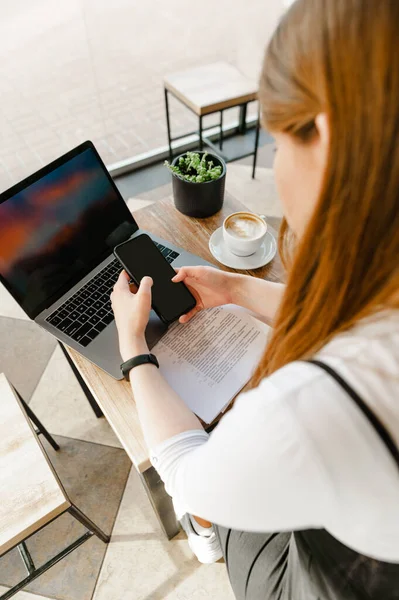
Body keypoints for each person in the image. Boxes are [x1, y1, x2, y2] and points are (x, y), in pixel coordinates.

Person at [110, 0, 399, 597]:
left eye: (276, 143)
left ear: (322, 134)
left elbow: (187, 472)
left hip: (326, 578)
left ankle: (207, 538)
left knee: (219, 453)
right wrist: (239, 287)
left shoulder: (317, 406)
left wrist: (133, 345)